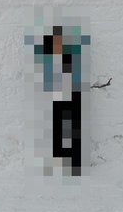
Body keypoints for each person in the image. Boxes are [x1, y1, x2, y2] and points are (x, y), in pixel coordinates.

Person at [32, 24, 88, 174]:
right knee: (57, 126)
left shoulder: (71, 54)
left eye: (60, 41)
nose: (57, 44)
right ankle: (58, 159)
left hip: (73, 92)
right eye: (54, 41)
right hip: (57, 94)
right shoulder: (49, 57)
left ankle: (75, 160)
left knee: (73, 127)